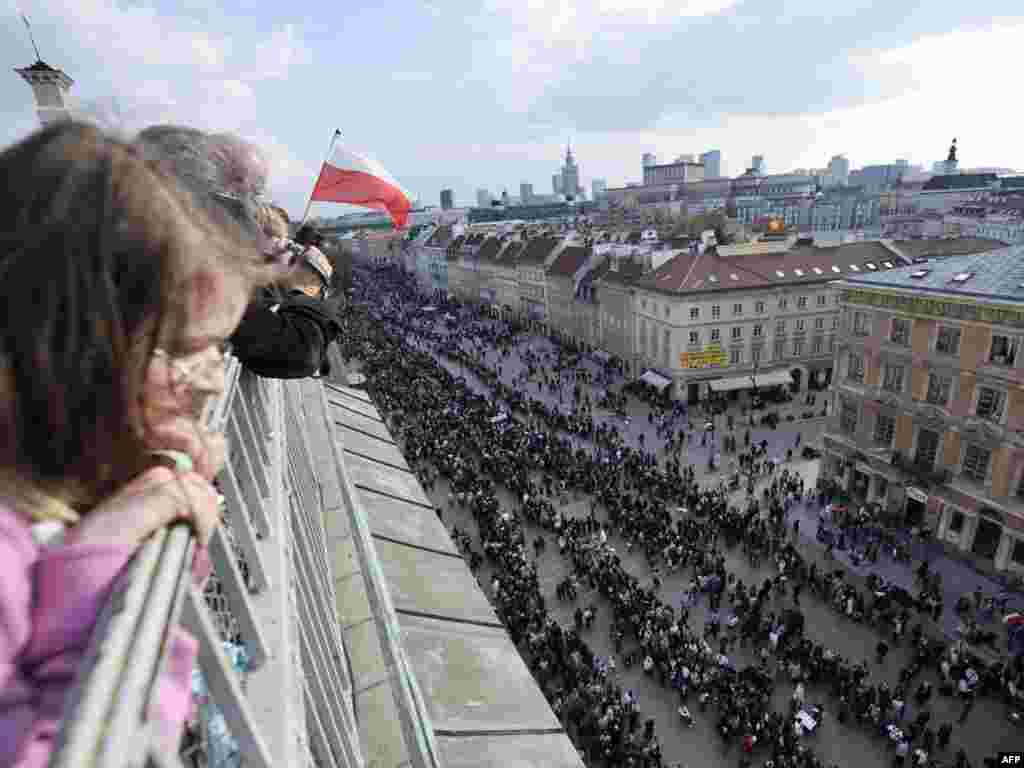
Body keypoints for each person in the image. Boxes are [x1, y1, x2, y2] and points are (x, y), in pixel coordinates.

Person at [0, 122, 269, 767]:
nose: (211, 380)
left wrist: (152, 492)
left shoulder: (60, 477)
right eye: (184, 350)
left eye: (220, 348)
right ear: (73, 352)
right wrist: (106, 559)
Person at [135, 126, 341, 379]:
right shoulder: (179, 258)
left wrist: (267, 275)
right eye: (249, 194)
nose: (249, 208)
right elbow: (298, 351)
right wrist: (304, 286)